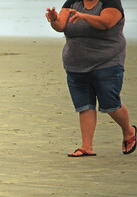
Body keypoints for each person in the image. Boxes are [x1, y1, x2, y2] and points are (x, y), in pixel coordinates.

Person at [46, 0, 136, 157]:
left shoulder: (110, 2)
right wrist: (54, 19)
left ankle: (129, 132)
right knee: (84, 105)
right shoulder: (73, 2)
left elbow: (106, 23)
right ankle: (87, 147)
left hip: (107, 62)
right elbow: (61, 26)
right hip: (75, 65)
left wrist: (84, 17)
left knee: (111, 104)